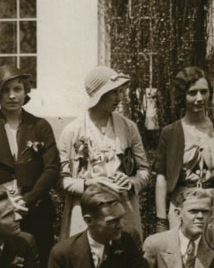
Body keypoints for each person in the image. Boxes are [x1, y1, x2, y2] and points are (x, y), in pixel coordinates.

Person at [0, 65, 60, 268]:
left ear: (25, 91)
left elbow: (52, 168)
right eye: (5, 90)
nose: (12, 96)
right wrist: (2, 203)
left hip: (36, 212)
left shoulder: (40, 126)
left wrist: (26, 200)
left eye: (17, 89)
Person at [57, 66, 151, 243]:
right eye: (113, 92)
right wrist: (88, 184)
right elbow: (61, 180)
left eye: (120, 92)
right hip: (86, 211)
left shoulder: (128, 128)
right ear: (98, 95)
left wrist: (131, 182)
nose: (119, 98)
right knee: (87, 261)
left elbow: (144, 171)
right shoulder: (71, 132)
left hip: (123, 209)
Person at [153, 67, 214, 236]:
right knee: (181, 256)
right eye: (192, 93)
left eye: (204, 92)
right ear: (182, 96)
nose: (199, 98)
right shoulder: (170, 132)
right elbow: (162, 177)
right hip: (182, 203)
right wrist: (161, 220)